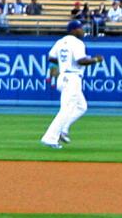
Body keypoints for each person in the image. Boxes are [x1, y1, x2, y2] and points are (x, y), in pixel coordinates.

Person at [41, 19, 104, 148]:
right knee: (66, 109)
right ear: (74, 30)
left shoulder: (60, 42)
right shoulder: (77, 43)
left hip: (64, 77)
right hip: (72, 77)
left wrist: (53, 69)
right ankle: (50, 137)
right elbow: (81, 61)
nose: (82, 30)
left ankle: (63, 129)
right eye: (80, 28)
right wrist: (96, 60)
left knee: (81, 106)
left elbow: (51, 57)